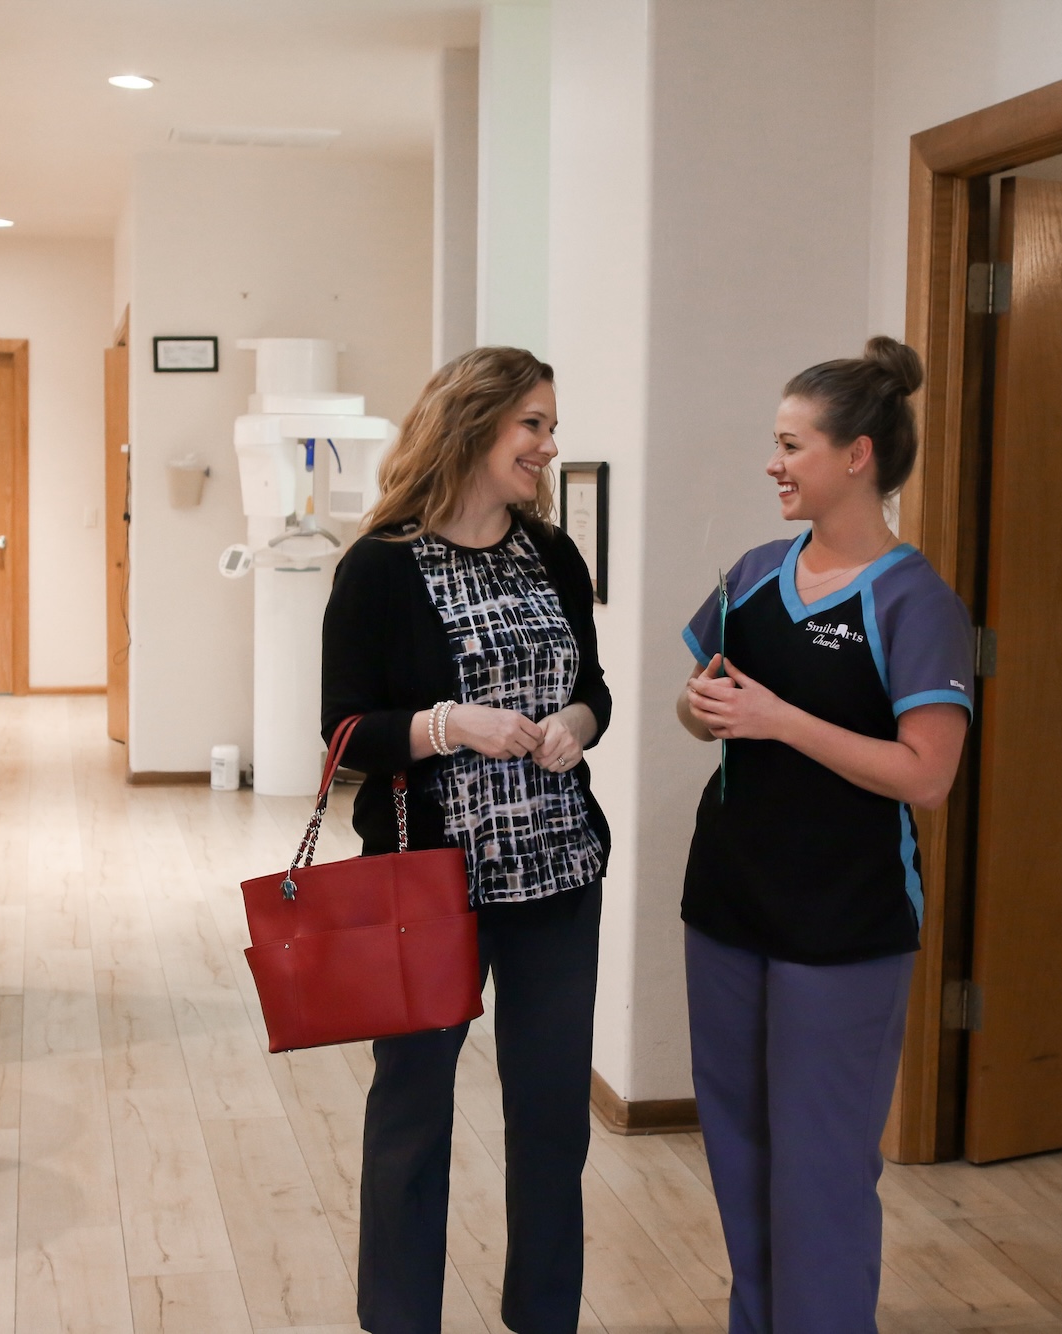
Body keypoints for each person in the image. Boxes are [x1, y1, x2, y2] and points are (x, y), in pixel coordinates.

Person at [676, 336, 974, 1333]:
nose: (773, 463)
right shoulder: (756, 573)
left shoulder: (913, 601)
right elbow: (707, 706)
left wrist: (779, 721)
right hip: (724, 900)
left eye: (790, 444)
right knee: (739, 1149)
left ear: (856, 455)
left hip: (843, 921)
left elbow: (925, 775)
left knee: (821, 1165)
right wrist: (702, 706)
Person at [321, 346, 611, 1334]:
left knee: (549, 1121)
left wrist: (576, 719)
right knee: (410, 1112)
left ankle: (544, 1317)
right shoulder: (380, 565)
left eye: (549, 423)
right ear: (474, 423)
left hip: (558, 876)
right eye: (532, 422)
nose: (547, 443)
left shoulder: (552, 553)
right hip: (425, 881)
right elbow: (344, 730)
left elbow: (594, 684)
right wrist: (450, 724)